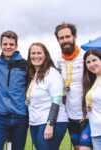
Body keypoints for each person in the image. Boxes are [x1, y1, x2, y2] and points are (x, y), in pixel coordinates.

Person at [0, 30, 28, 150]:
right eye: (5, 44)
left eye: (11, 44)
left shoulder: (25, 64)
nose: (8, 47)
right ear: (0, 45)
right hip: (0, 118)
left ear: (16, 46)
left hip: (20, 118)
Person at [55, 22, 92, 150]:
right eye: (61, 38)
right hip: (71, 116)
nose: (65, 40)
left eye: (68, 36)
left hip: (87, 115)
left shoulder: (86, 57)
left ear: (75, 37)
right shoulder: (59, 60)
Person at [26, 42, 68, 150]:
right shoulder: (34, 75)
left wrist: (50, 124)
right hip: (35, 122)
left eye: (39, 53)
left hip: (51, 122)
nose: (36, 56)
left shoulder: (52, 73)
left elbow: (56, 100)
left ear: (45, 55)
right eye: (33, 53)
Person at [82, 49, 101, 150]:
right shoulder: (94, 81)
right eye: (88, 62)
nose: (91, 64)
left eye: (94, 60)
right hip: (95, 132)